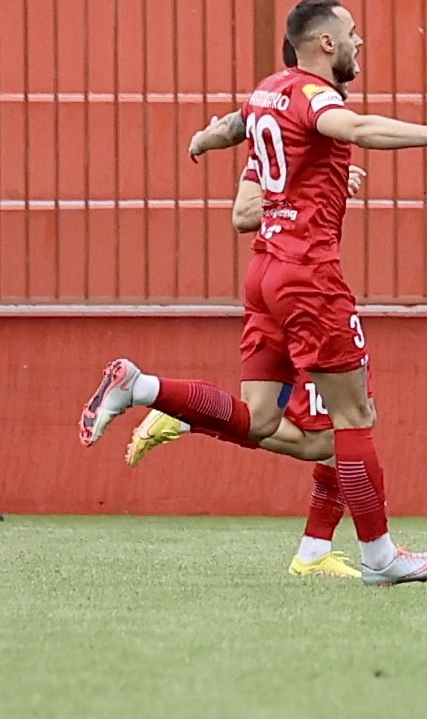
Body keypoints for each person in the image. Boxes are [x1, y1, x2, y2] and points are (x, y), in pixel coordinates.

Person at [78, 0, 427, 586]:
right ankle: (381, 557)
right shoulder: (314, 95)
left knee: (263, 421)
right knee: (354, 417)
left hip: (266, 272)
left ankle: (141, 386)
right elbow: (355, 126)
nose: (359, 44)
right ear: (326, 43)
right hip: (309, 274)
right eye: (352, 34)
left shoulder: (267, 90)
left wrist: (202, 140)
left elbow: (233, 126)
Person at [127, 124, 368, 579]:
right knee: (340, 431)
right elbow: (242, 214)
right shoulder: (287, 130)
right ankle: (189, 413)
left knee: (329, 437)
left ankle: (314, 553)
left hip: (295, 287)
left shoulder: (309, 132)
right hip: (303, 294)